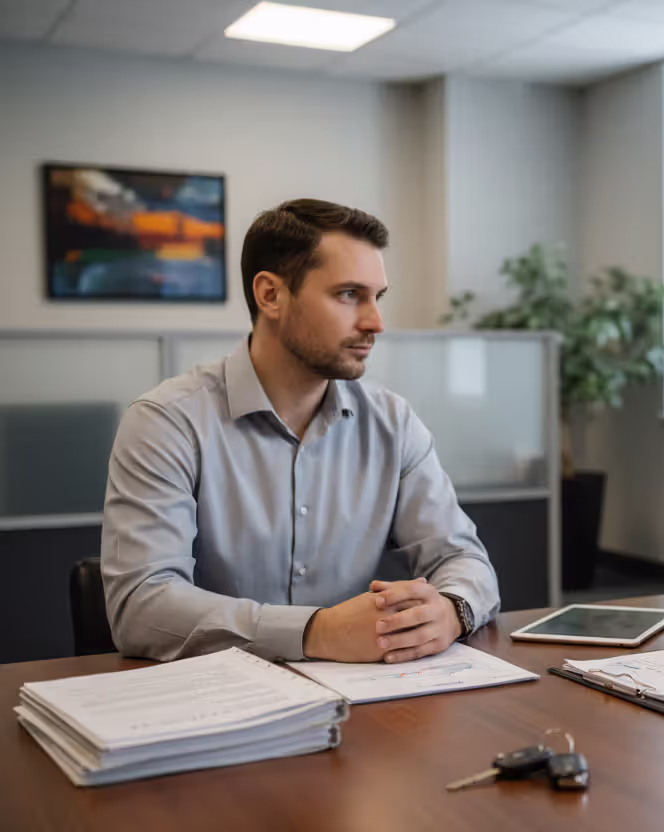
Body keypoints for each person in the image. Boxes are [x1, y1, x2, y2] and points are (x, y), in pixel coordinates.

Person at [102, 199, 499, 664]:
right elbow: (140, 607)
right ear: (270, 295)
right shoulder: (167, 421)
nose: (375, 322)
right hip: (213, 706)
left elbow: (463, 557)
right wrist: (318, 631)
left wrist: (451, 610)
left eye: (377, 296)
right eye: (349, 294)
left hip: (362, 702)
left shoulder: (393, 422)